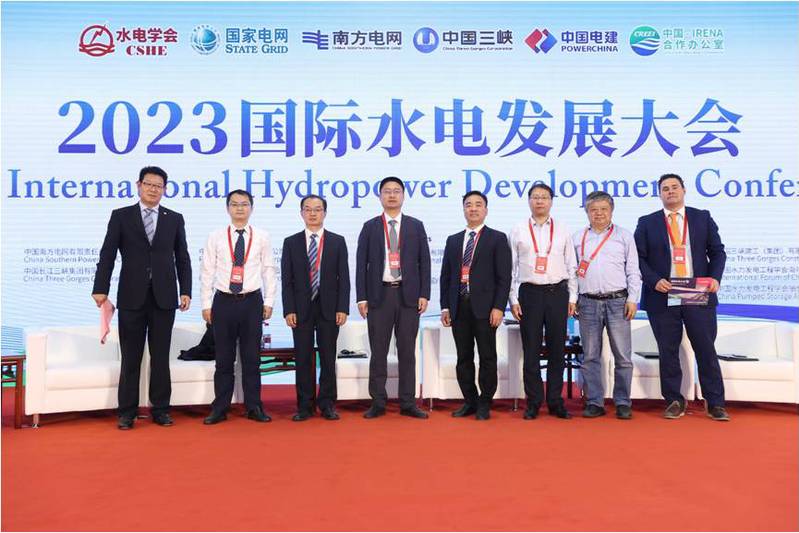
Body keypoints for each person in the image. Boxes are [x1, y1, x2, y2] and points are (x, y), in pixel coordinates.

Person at [92, 166, 192, 430]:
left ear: (164, 189)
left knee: (160, 357)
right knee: (130, 357)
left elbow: (182, 257)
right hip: (131, 297)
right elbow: (107, 253)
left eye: (158, 186)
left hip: (164, 298)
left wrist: (186, 290)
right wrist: (100, 287)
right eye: (148, 184)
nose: (153, 189)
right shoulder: (121, 216)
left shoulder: (174, 218)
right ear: (139, 185)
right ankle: (127, 412)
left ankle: (161, 409)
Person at [634, 174, 729, 421]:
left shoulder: (702, 217)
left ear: (684, 190)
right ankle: (674, 400)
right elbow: (638, 259)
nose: (670, 191)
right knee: (668, 350)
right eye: (665, 188)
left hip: (697, 290)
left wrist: (715, 278)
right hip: (664, 293)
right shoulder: (647, 222)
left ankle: (715, 402)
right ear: (659, 194)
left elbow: (718, 252)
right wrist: (654, 280)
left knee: (705, 349)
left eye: (674, 187)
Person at [356, 176, 431, 419]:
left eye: (396, 191)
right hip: (379, 296)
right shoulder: (370, 227)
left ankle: (408, 402)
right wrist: (361, 298)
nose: (391, 195)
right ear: (380, 196)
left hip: (408, 297)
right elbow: (361, 264)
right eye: (387, 191)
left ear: (403, 196)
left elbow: (425, 262)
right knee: (378, 352)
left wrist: (424, 293)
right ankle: (378, 402)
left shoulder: (416, 226)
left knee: (407, 351)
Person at [200, 189, 277, 425]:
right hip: (223, 301)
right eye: (234, 204)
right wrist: (206, 304)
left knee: (252, 359)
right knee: (223, 359)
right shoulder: (216, 236)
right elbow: (207, 271)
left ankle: (254, 406)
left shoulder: (262, 236)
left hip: (252, 301)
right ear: (228, 208)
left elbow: (269, 270)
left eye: (244, 204)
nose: (240, 208)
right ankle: (220, 408)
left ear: (251, 208)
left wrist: (269, 301)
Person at [439, 191, 512, 420]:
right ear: (463, 209)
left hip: (486, 309)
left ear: (486, 210)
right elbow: (446, 276)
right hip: (459, 307)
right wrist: (445, 307)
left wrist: (499, 307)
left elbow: (504, 277)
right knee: (463, 357)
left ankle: (485, 402)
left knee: (487, 357)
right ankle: (469, 401)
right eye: (468, 205)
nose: (473, 208)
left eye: (478, 205)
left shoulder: (497, 238)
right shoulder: (453, 240)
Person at [509, 184, 577, 420]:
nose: (539, 201)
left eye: (544, 197)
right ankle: (534, 402)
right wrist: (513, 298)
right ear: (529, 201)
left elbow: (571, 265)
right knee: (531, 350)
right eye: (535, 197)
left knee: (558, 349)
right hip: (529, 293)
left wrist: (573, 296)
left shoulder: (563, 229)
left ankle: (556, 401)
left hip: (558, 293)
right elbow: (511, 268)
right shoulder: (518, 229)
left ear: (551, 201)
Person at [573, 191, 642, 420]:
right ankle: (595, 402)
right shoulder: (578, 237)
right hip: (587, 302)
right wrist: (572, 299)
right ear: (587, 212)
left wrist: (633, 299)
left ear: (611, 211)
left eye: (603, 209)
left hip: (618, 301)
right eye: (593, 210)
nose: (599, 214)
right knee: (590, 356)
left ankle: (622, 402)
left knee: (622, 356)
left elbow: (633, 270)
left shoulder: (624, 236)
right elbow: (572, 272)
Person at [282, 195, 350, 421]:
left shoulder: (337, 241)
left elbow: (344, 278)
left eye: (318, 209)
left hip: (329, 307)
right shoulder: (291, 242)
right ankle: (304, 406)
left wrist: (343, 307)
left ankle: (327, 404)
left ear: (325, 213)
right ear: (301, 213)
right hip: (300, 309)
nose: (313, 213)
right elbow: (287, 280)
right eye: (308, 209)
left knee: (328, 358)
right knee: (302, 358)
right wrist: (289, 309)